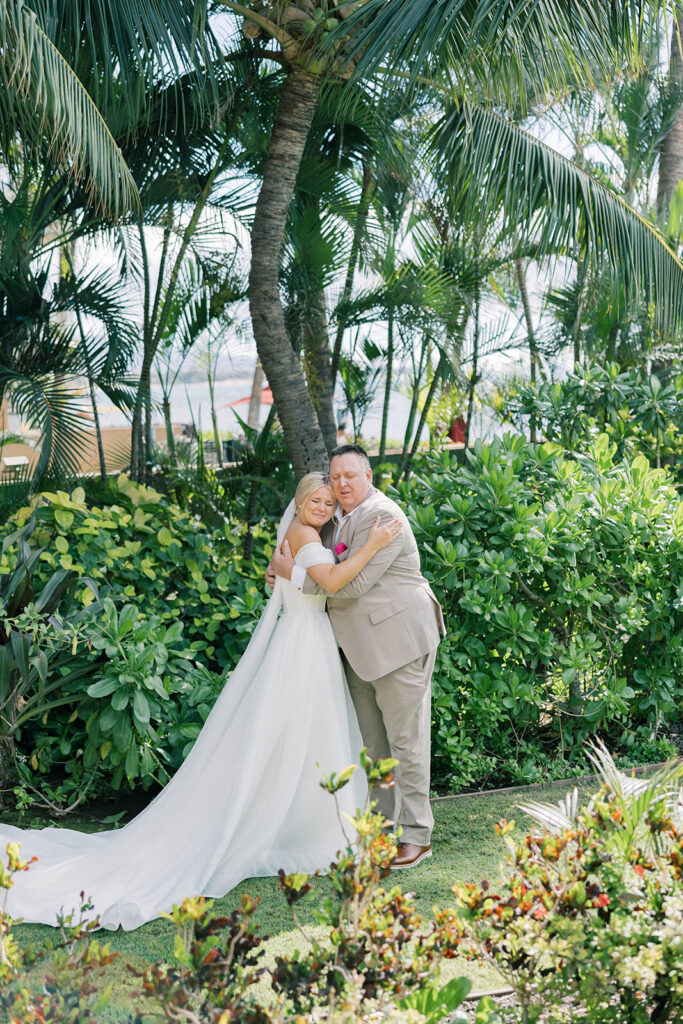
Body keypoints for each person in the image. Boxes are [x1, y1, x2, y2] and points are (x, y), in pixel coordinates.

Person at [0, 474, 400, 931]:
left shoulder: (310, 534)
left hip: (308, 641)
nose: (324, 507)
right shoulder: (305, 535)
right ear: (300, 501)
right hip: (303, 645)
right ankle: (307, 831)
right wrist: (375, 544)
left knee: (305, 737)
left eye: (329, 502)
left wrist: (291, 571)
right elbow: (329, 579)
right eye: (316, 499)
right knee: (300, 734)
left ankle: (303, 822)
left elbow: (310, 580)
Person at [270, 445, 445, 870]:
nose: (342, 484)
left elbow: (349, 585)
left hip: (400, 642)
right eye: (335, 477)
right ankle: (382, 829)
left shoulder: (385, 518)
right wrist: (286, 568)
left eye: (351, 475)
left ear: (369, 476)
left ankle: (417, 836)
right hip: (357, 647)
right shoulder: (332, 519)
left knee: (407, 742)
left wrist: (291, 576)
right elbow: (317, 559)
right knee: (374, 746)